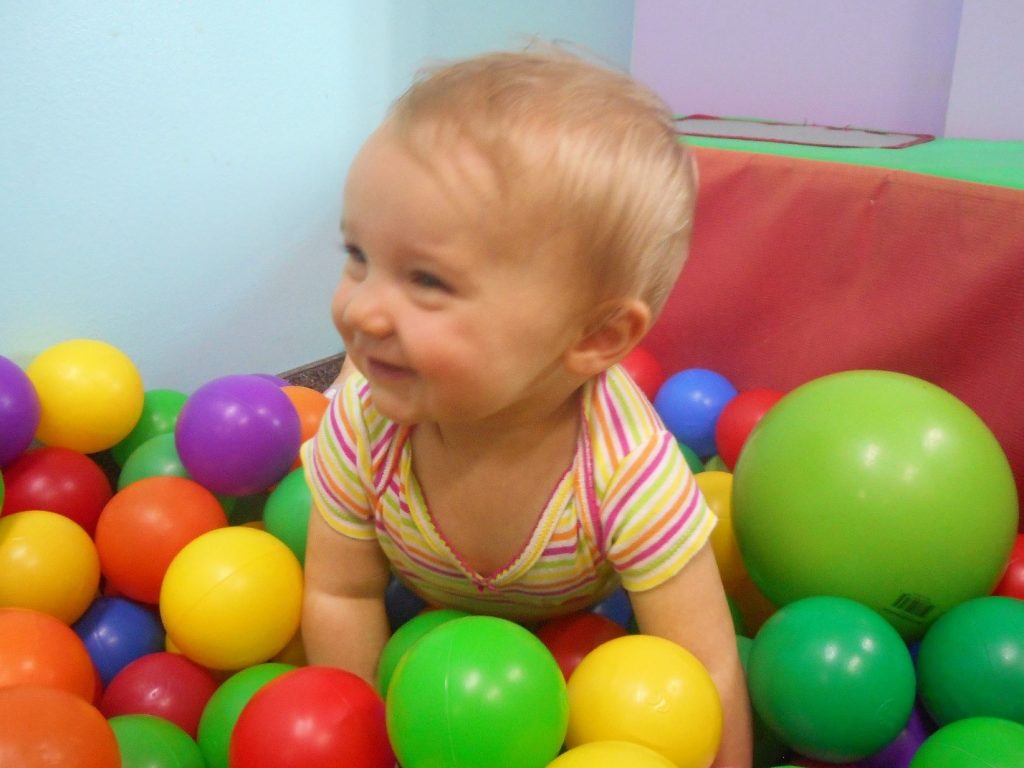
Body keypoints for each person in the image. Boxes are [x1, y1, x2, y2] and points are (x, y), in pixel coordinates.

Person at [301, 47, 752, 767]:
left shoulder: (629, 470)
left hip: (583, 637)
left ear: (596, 337)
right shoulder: (365, 416)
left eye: (426, 279)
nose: (362, 309)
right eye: (358, 255)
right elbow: (341, 595)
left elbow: (706, 673)